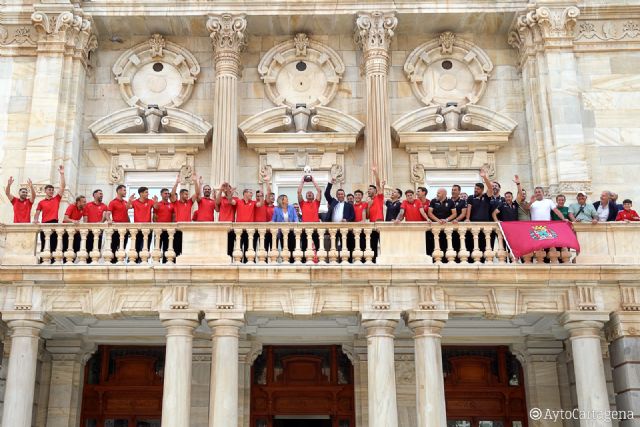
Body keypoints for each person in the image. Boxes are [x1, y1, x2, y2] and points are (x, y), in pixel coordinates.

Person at [34, 165, 66, 256]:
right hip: (44, 223)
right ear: (45, 191)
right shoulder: (41, 202)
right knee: (44, 244)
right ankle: (42, 260)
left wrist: (62, 174)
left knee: (53, 244)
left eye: (52, 190)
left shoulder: (56, 199)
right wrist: (36, 220)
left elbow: (62, 187)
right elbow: (37, 212)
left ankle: (52, 261)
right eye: (49, 190)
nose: (51, 191)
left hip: (54, 223)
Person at [171, 172, 200, 257]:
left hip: (187, 229)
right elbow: (172, 194)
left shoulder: (189, 202)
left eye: (188, 194)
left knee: (186, 251)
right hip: (178, 229)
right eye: (186, 194)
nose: (187, 196)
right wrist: (176, 183)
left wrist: (195, 181)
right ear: (181, 194)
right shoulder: (176, 203)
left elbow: (197, 193)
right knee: (176, 250)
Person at [130, 186, 157, 262]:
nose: (148, 194)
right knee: (136, 247)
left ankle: (144, 262)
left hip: (147, 229)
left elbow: (156, 207)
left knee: (146, 247)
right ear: (141, 193)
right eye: (146, 192)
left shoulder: (150, 201)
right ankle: (135, 262)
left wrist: (155, 201)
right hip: (137, 229)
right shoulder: (135, 202)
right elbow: (128, 207)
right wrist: (130, 200)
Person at [106, 184, 130, 262]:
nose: (125, 192)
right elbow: (108, 213)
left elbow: (126, 214)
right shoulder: (113, 202)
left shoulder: (126, 202)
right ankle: (113, 263)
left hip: (125, 229)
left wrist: (129, 226)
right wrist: (109, 220)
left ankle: (120, 262)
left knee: (123, 247)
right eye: (124, 190)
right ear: (119, 191)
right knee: (114, 247)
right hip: (116, 229)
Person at [84, 189, 109, 261]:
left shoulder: (104, 206)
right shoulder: (88, 205)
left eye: (102, 194)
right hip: (89, 232)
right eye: (100, 194)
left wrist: (101, 222)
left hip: (99, 232)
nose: (102, 195)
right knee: (88, 250)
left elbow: (106, 217)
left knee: (97, 250)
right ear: (94, 195)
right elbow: (85, 219)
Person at [154, 187, 175, 262]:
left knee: (166, 248)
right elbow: (154, 217)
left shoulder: (171, 205)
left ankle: (165, 263)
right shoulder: (158, 204)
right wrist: (156, 227)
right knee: (157, 247)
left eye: (168, 193)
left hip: (168, 230)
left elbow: (173, 217)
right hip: (159, 230)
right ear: (161, 194)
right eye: (165, 193)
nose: (167, 195)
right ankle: (156, 263)